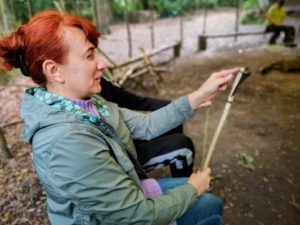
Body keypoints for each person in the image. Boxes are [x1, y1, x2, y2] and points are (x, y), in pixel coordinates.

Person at [0, 11, 239, 225]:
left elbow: (146, 125)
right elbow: (136, 215)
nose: (102, 64)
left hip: (128, 196)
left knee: (208, 201)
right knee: (208, 205)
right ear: (54, 71)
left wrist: (198, 96)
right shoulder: (65, 141)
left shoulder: (87, 104)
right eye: (89, 55)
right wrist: (191, 189)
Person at [100, 78, 195, 177]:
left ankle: (177, 174)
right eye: (89, 60)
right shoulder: (90, 112)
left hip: (128, 136)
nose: (102, 65)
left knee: (174, 119)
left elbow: (137, 103)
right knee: (183, 144)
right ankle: (187, 185)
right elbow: (145, 125)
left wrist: (171, 106)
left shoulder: (100, 88)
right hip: (124, 155)